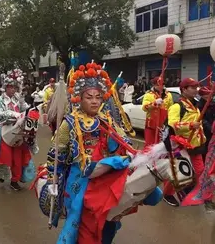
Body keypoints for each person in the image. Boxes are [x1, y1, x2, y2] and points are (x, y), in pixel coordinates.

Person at [40, 63, 162, 244]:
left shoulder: (106, 119)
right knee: (81, 212)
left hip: (107, 169)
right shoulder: (70, 123)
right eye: (89, 97)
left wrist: (134, 155)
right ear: (79, 99)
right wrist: (53, 181)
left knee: (129, 197)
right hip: (81, 175)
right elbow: (55, 154)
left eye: (98, 97)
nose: (95, 101)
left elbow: (124, 141)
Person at [163, 78, 206, 207]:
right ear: (184, 89)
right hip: (181, 145)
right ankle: (167, 194)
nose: (195, 90)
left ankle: (190, 190)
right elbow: (173, 124)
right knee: (177, 172)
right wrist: (190, 125)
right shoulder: (177, 106)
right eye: (192, 87)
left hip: (195, 144)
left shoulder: (196, 104)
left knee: (199, 171)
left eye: (196, 87)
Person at [0, 69, 32, 191]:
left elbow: (26, 109)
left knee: (18, 158)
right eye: (10, 87)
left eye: (15, 87)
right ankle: (2, 174)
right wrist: (12, 115)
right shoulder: (0, 100)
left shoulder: (17, 98)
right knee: (5, 157)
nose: (13, 90)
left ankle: (15, 180)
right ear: (6, 88)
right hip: (5, 132)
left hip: (18, 132)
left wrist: (26, 103)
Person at [142, 77, 173, 146]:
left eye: (163, 84)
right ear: (154, 85)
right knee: (150, 145)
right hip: (151, 124)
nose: (161, 86)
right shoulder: (148, 95)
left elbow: (171, 108)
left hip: (163, 124)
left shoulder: (168, 95)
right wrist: (154, 103)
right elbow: (144, 108)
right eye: (159, 85)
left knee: (162, 145)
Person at [197, 86, 215, 156]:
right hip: (205, 132)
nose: (209, 97)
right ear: (203, 96)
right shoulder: (199, 105)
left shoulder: (212, 103)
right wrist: (210, 128)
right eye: (207, 96)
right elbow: (201, 119)